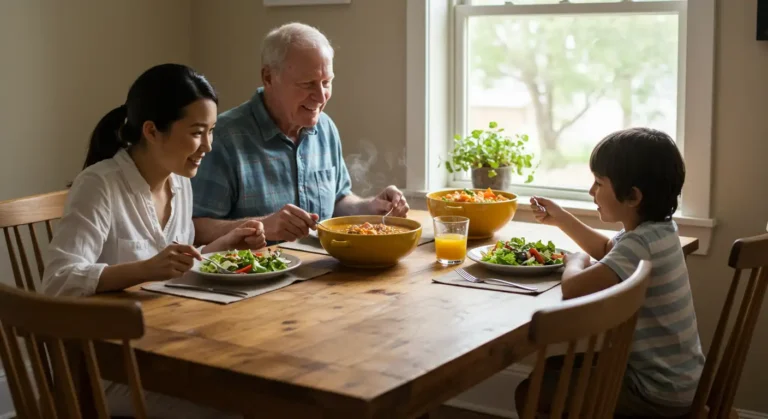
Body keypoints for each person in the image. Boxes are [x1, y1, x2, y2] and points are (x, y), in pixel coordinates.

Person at [42, 64, 263, 418]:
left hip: (163, 354)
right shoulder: (99, 185)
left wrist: (221, 246)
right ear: (151, 131)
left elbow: (175, 267)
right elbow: (57, 281)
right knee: (238, 410)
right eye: (196, 132)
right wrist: (143, 269)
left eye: (211, 131)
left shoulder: (181, 183)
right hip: (102, 369)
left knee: (256, 391)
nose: (207, 146)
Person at [516, 127, 705, 417]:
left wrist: (575, 260)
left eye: (599, 183)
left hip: (652, 392)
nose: (591, 191)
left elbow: (574, 288)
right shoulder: (659, 231)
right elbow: (607, 249)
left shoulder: (639, 243)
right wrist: (562, 219)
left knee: (532, 391)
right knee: (552, 368)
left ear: (632, 196)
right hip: (678, 380)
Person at [191, 22, 409, 245]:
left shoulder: (325, 128)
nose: (321, 96)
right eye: (308, 84)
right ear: (268, 78)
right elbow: (194, 229)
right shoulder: (224, 138)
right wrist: (264, 226)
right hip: (251, 275)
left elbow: (337, 201)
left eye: (327, 82)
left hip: (323, 272)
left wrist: (371, 207)